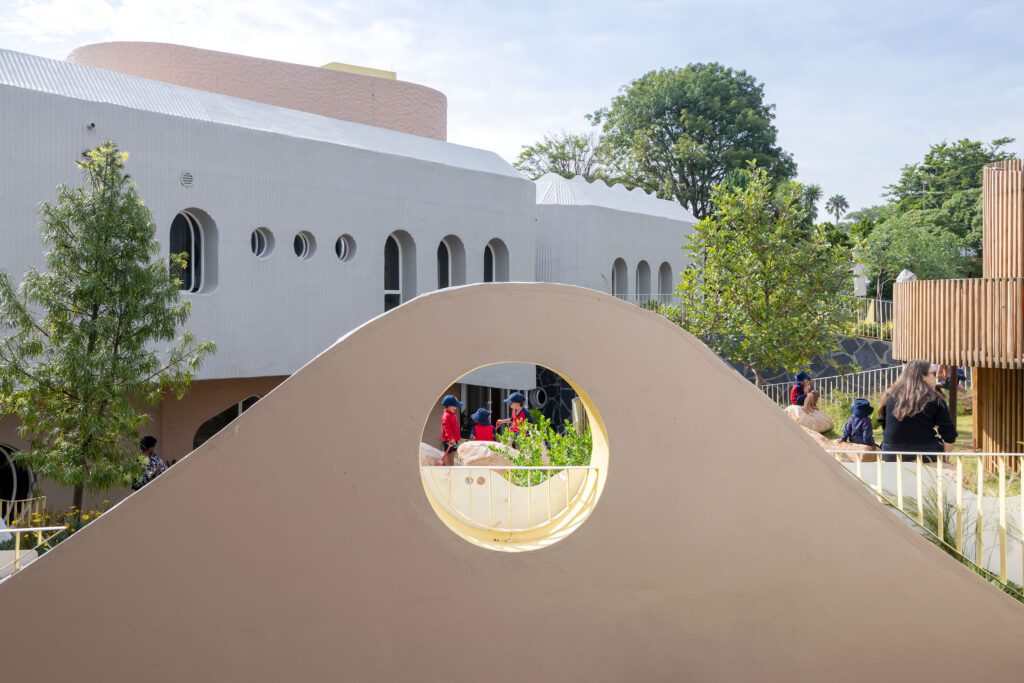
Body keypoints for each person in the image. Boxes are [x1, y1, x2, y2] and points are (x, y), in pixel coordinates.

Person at [877, 361, 957, 463]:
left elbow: (884, 424)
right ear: (923, 377)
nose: (936, 377)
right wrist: (945, 459)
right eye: (933, 373)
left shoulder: (889, 396)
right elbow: (949, 435)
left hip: (891, 454)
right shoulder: (935, 399)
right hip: (925, 454)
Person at [439, 394, 463, 466]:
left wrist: (456, 439)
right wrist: (450, 438)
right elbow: (446, 428)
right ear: (449, 406)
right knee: (449, 454)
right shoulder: (446, 415)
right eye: (455, 405)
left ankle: (451, 466)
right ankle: (448, 467)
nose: (456, 407)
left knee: (453, 453)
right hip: (449, 440)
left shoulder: (452, 414)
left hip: (454, 439)